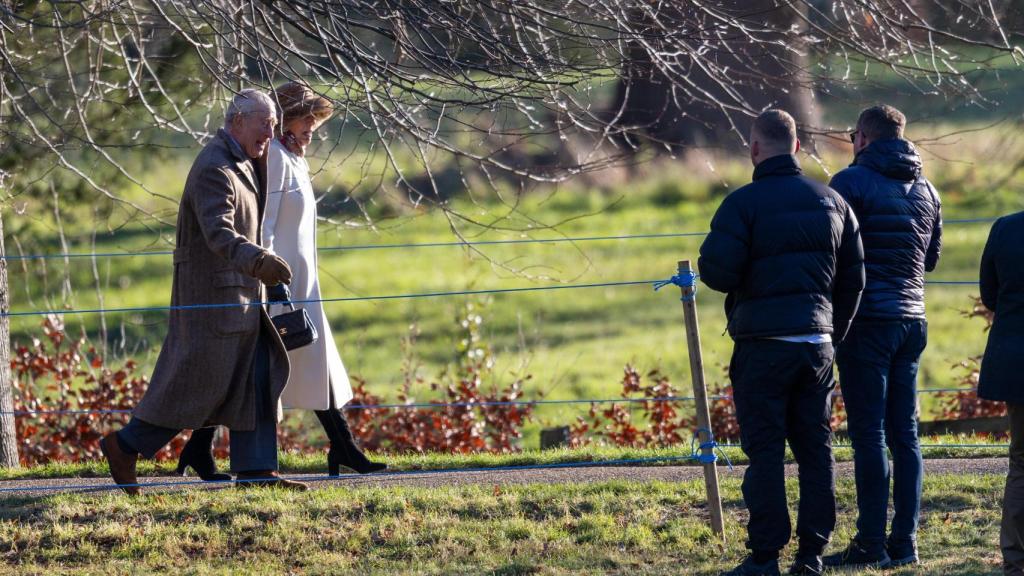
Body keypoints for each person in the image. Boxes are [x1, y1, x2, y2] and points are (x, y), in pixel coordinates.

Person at [100, 88, 308, 495]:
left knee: (257, 379)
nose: (271, 132)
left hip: (240, 297)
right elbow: (219, 232)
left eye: (273, 124)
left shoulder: (241, 159)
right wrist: (258, 261)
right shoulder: (216, 166)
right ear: (237, 121)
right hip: (214, 301)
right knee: (193, 387)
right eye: (264, 124)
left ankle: (257, 471)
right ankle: (125, 446)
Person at [178, 82, 386, 478]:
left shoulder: (294, 157)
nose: (312, 127)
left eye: (315, 120)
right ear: (285, 119)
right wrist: (268, 277)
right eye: (305, 118)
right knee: (255, 367)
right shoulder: (273, 156)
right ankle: (342, 448)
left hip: (301, 277)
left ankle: (200, 448)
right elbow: (265, 222)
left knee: (310, 360)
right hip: (280, 279)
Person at [700, 109, 865, 576]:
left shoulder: (742, 204)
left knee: (766, 452)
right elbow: (855, 280)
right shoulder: (834, 203)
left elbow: (717, 272)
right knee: (816, 450)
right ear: (796, 146)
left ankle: (765, 555)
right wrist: (834, 333)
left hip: (762, 346)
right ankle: (811, 554)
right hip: (817, 344)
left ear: (754, 148)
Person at [823, 105, 941, 569]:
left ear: (864, 139)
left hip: (866, 320)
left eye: (853, 136)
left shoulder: (849, 184)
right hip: (912, 320)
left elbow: (831, 254)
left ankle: (870, 542)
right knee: (905, 435)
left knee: (869, 434)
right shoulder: (928, 190)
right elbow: (929, 260)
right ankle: (905, 542)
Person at [978, 213, 1024, 575]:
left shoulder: (1005, 228)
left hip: (1016, 359)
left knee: (1021, 461)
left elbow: (990, 295)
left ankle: (1015, 558)